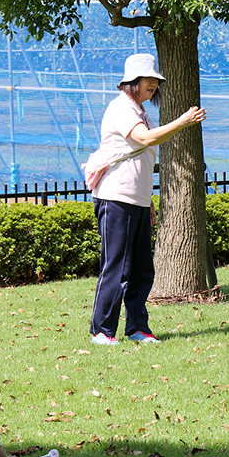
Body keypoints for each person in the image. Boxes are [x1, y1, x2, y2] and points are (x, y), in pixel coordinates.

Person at [88, 54, 206, 346]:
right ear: (132, 83)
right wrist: (182, 121)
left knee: (142, 268)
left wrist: (148, 200)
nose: (153, 84)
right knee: (116, 266)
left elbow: (140, 159)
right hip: (116, 198)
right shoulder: (121, 108)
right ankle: (102, 330)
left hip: (136, 200)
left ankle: (138, 327)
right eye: (147, 80)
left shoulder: (139, 111)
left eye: (155, 81)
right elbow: (146, 140)